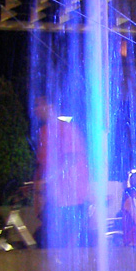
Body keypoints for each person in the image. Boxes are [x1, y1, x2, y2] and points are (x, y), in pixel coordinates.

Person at [32, 95, 94, 248]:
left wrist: (48, 179)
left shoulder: (65, 129)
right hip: (55, 197)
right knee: (44, 239)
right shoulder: (45, 131)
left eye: (39, 105)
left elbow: (71, 158)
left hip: (69, 197)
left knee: (48, 241)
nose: (35, 109)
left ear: (51, 106)